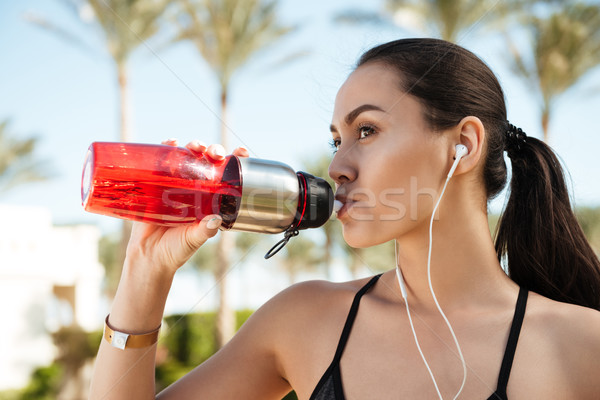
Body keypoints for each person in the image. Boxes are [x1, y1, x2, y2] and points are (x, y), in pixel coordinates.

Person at [89, 38, 600, 399]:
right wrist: (145, 270)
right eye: (337, 139)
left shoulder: (581, 345)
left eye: (367, 131)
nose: (336, 166)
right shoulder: (304, 321)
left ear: (461, 146)